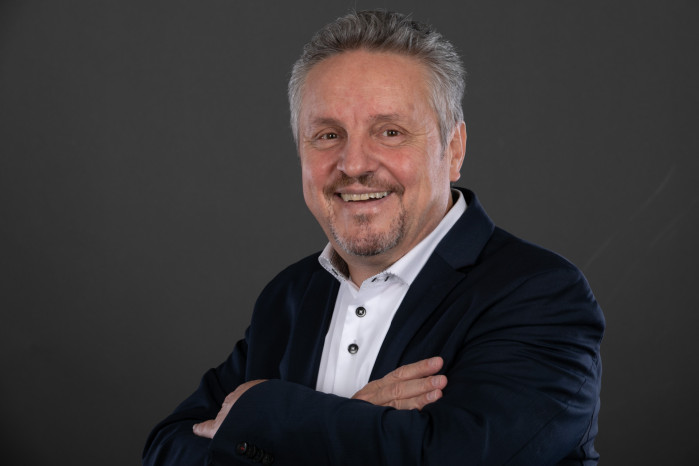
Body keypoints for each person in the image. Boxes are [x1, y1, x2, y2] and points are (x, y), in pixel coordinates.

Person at [143, 10, 604, 465]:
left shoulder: (539, 295)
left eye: (390, 132)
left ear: (453, 149)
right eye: (328, 135)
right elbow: (166, 448)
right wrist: (354, 422)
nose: (355, 164)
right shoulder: (288, 297)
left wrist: (265, 411)